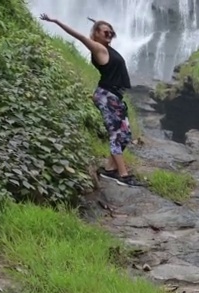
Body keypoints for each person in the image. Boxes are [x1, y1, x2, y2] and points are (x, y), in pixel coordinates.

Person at [39, 14, 140, 186]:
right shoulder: (98, 49)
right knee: (116, 134)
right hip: (107, 96)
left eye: (111, 32)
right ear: (96, 35)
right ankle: (123, 175)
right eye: (105, 32)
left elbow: (103, 32)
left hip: (115, 96)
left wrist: (99, 24)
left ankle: (109, 169)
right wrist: (56, 21)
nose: (109, 34)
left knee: (125, 135)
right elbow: (79, 36)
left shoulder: (107, 48)